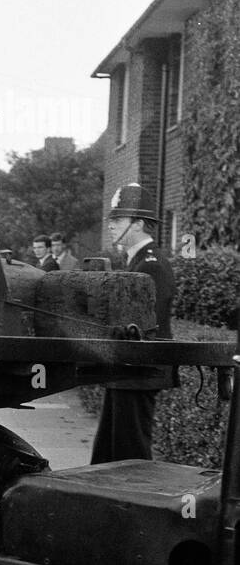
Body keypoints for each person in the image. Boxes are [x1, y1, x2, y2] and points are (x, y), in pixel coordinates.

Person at [91, 183, 176, 464]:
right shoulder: (137, 262)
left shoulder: (151, 265)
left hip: (140, 369)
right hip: (128, 369)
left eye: (118, 220)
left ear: (138, 224)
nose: (111, 226)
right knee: (109, 451)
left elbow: (145, 325)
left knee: (130, 454)